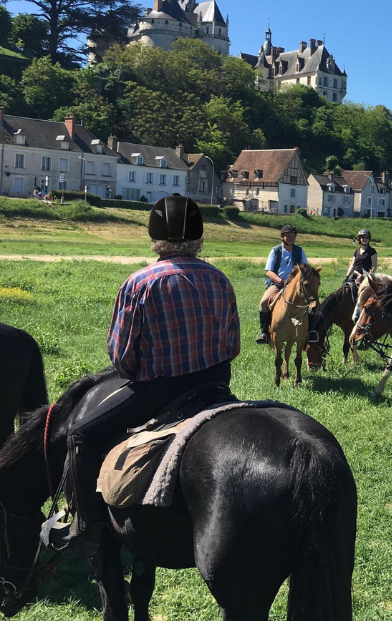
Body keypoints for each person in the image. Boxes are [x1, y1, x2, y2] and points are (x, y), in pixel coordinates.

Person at [52, 196, 241, 554]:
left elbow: (123, 359)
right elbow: (232, 346)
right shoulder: (220, 279)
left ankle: (85, 527)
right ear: (199, 237)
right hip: (216, 387)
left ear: (154, 237)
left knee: (79, 434)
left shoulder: (140, 282)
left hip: (160, 392)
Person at [256, 224, 319, 344]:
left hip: (296, 286)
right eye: (287, 235)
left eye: (293, 235)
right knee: (263, 302)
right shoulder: (275, 251)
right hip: (278, 284)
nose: (290, 237)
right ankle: (264, 332)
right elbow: (269, 271)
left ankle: (311, 331)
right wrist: (281, 281)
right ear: (282, 237)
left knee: (312, 302)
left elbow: (306, 269)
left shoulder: (300, 251)